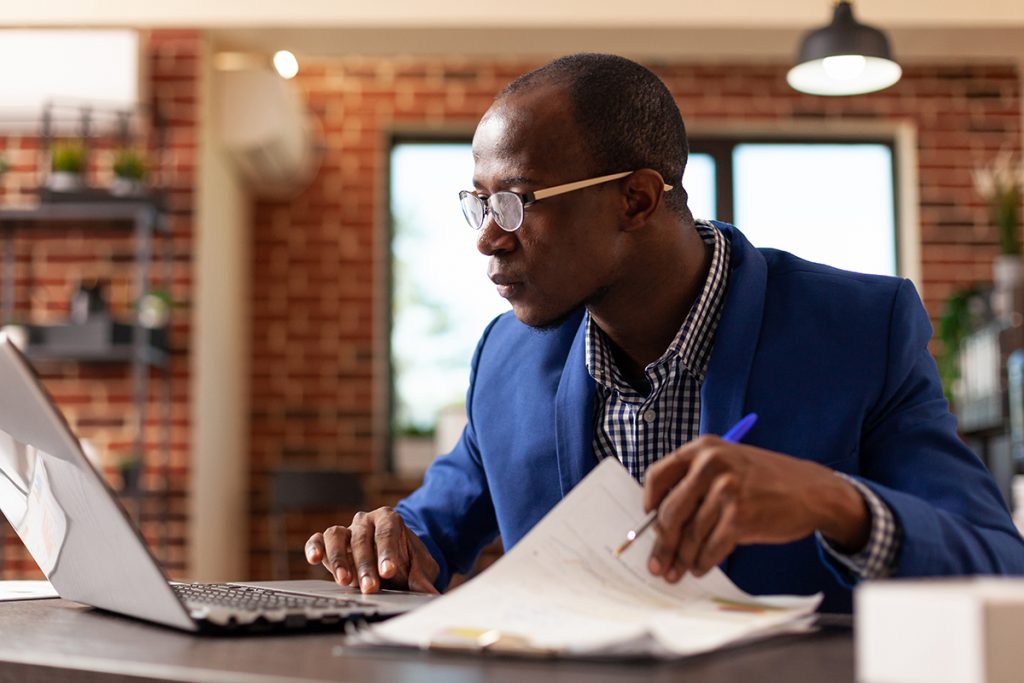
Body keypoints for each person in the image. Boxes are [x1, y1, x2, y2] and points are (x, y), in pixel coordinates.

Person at [306, 53, 1024, 612]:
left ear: (637, 199)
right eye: (479, 204)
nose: (489, 238)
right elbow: (431, 532)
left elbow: (999, 564)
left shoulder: (860, 329)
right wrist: (389, 545)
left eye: (517, 203)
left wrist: (835, 502)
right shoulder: (507, 357)